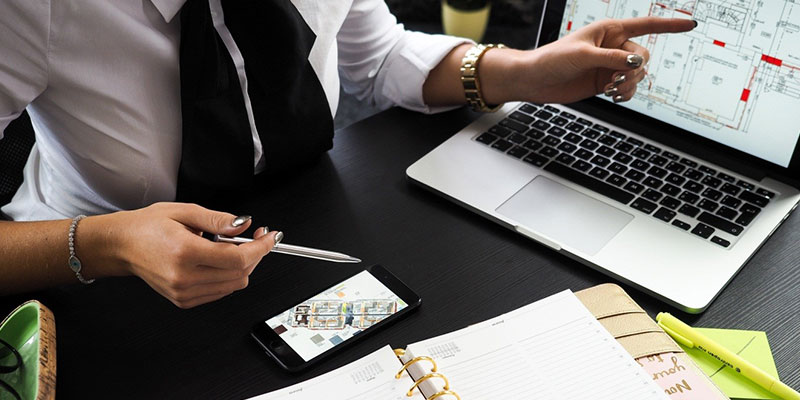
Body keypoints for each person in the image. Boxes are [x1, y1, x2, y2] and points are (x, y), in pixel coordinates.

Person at [0, 0, 695, 308]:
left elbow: (377, 55)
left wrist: (519, 71)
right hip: (100, 286)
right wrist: (107, 243)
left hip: (306, 223)